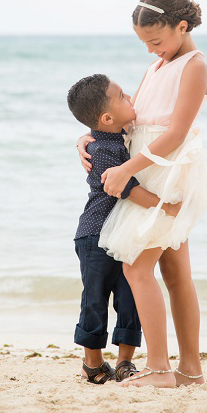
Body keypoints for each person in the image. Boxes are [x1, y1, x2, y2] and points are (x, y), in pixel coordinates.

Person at [77, 0, 207, 388]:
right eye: (145, 44)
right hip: (148, 170)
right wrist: (88, 138)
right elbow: (131, 119)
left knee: (137, 269)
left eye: (155, 41)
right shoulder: (156, 66)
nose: (152, 50)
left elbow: (175, 134)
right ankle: (190, 370)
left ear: (181, 26)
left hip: (167, 174)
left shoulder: (194, 66)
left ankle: (159, 368)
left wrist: (124, 170)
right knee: (174, 273)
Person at [67, 74, 181, 384]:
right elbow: (125, 188)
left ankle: (125, 362)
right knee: (95, 297)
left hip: (124, 231)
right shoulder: (102, 148)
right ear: (107, 117)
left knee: (130, 295)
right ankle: (92, 362)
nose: (129, 97)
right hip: (96, 234)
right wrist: (163, 205)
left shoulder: (120, 131)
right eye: (121, 97)